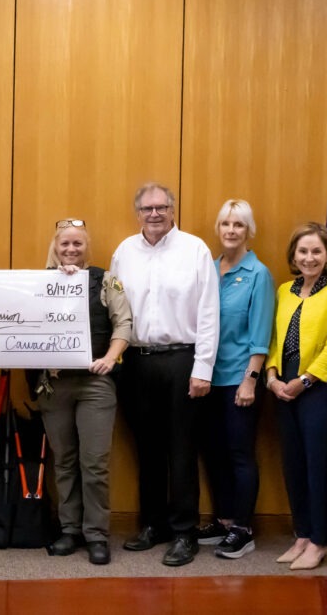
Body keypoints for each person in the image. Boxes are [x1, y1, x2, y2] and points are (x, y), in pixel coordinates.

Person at [110, 182, 220, 567]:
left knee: (182, 449)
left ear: (173, 210)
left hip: (182, 360)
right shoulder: (124, 251)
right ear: (136, 212)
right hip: (136, 361)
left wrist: (203, 367)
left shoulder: (195, 250)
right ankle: (153, 524)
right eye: (146, 208)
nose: (154, 214)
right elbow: (113, 306)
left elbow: (209, 311)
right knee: (148, 448)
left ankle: (184, 531)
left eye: (161, 207)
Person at [36, 219, 132, 566]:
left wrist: (109, 357)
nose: (71, 250)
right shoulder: (38, 284)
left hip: (95, 384)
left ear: (86, 247)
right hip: (56, 385)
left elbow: (124, 323)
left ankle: (96, 535)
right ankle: (69, 531)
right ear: (56, 247)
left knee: (94, 464)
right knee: (63, 462)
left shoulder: (105, 281)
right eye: (65, 244)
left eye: (77, 244)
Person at [265, 222, 327, 570]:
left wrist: (305, 380)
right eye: (303, 251)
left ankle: (319, 540)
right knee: (293, 464)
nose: (309, 257)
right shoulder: (285, 290)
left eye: (317, 251)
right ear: (293, 255)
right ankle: (301, 534)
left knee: (319, 464)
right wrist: (272, 377)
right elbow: (272, 338)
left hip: (317, 388)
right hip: (283, 389)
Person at [196, 200, 274, 559]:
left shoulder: (258, 274)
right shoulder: (208, 270)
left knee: (240, 454)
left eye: (238, 225)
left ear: (249, 231)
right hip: (207, 378)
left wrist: (250, 380)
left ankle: (243, 528)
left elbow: (260, 334)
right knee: (213, 452)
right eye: (225, 223)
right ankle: (225, 519)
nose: (231, 230)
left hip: (238, 379)